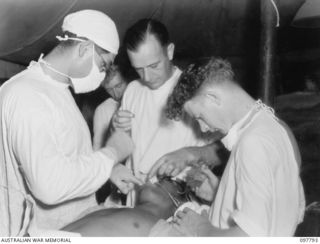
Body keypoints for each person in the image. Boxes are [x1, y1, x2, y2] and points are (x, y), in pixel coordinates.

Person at [0, 10, 142, 236]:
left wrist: (108, 170)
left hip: (70, 226)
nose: (102, 76)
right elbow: (49, 186)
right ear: (84, 49)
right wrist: (113, 151)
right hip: (43, 235)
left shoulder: (56, 90)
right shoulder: (28, 95)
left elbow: (67, 157)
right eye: (103, 65)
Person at [149, 58, 305, 236]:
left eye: (199, 116)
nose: (203, 128)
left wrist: (199, 228)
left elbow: (250, 237)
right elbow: (278, 210)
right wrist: (222, 195)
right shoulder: (277, 128)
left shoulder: (252, 143)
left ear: (213, 97)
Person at [111, 19, 213, 206]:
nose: (147, 77)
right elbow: (125, 145)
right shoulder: (133, 89)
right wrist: (117, 129)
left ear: (170, 51)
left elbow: (220, 151)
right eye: (138, 69)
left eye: (154, 66)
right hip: (137, 197)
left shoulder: (193, 89)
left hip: (180, 198)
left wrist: (188, 157)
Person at [62, 177, 192, 236]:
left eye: (170, 180)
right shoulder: (107, 206)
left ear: (180, 203)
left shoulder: (168, 232)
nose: (156, 179)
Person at [93, 63, 135, 150]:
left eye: (118, 86)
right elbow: (98, 149)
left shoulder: (140, 96)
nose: (116, 94)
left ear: (127, 80)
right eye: (109, 90)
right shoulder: (102, 110)